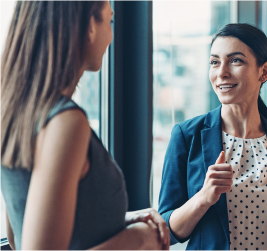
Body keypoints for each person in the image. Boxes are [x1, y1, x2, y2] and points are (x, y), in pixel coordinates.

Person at [0, 0, 169, 250]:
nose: (111, 36)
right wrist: (140, 237)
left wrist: (120, 222)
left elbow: (21, 235)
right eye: (109, 20)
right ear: (90, 25)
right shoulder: (66, 123)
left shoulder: (17, 111)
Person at [158, 23, 267, 251]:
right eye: (214, 62)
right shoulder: (186, 136)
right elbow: (165, 230)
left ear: (264, 71)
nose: (221, 72)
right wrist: (203, 197)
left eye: (235, 60)